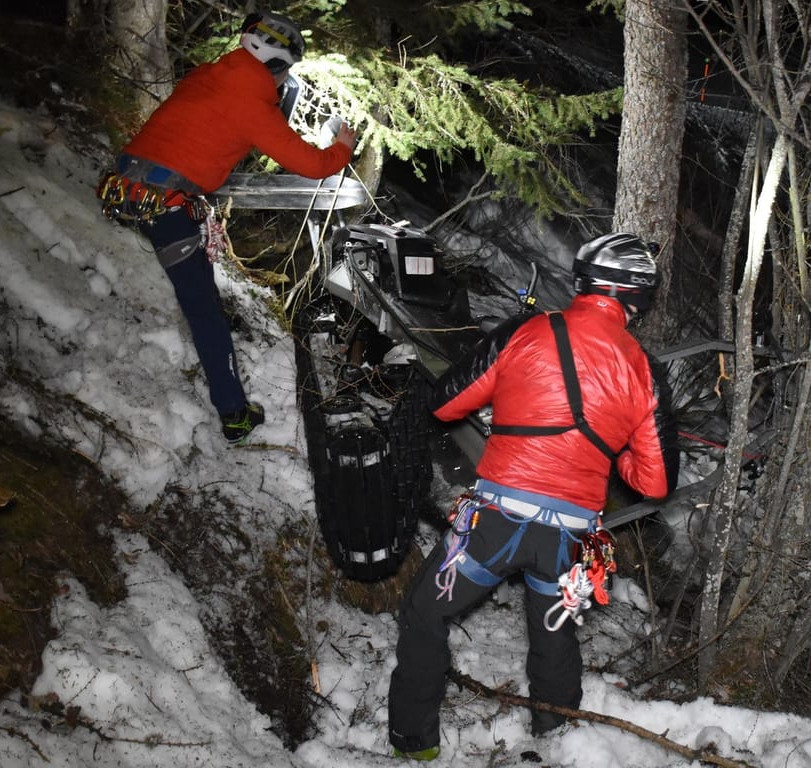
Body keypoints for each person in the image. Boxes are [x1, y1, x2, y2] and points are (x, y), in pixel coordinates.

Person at [387, 233, 680, 761]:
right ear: (639, 298)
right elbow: (655, 484)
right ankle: (559, 738)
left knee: (424, 613)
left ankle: (415, 743)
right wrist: (611, 452)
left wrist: (516, 400)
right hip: (567, 539)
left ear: (582, 281)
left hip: (495, 521)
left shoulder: (528, 331)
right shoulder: (644, 370)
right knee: (554, 640)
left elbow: (446, 403)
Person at [99, 11, 358, 445]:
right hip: (166, 204)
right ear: (277, 65)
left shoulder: (207, 75)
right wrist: (343, 147)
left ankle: (231, 402)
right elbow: (313, 165)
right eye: (285, 71)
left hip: (131, 186)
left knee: (199, 295)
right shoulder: (252, 102)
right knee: (204, 310)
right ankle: (234, 414)